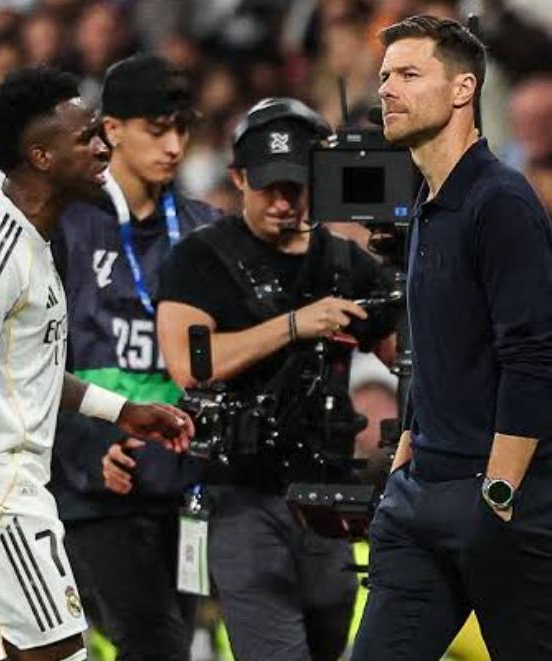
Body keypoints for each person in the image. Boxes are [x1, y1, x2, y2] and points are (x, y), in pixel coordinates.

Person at [0, 67, 193, 661]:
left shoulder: (36, 242)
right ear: (40, 156)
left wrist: (123, 411)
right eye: (86, 137)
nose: (103, 147)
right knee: (63, 651)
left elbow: (26, 371)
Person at [352, 15, 552, 660]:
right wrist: (406, 454)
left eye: (409, 74)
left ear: (463, 89)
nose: (388, 89)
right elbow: (439, 349)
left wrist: (498, 495)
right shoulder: (429, 205)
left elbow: (532, 357)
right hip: (422, 494)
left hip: (499, 494)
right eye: (385, 76)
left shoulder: (499, 201)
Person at [156, 97, 397, 661]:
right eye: (268, 187)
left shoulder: (345, 264)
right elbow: (190, 365)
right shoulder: (200, 259)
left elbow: (405, 356)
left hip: (327, 491)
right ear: (239, 178)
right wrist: (294, 325)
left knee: (329, 637)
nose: (283, 202)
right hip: (240, 491)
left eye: (295, 187)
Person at [50, 52, 219, 659]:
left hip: (185, 484)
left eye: (182, 129)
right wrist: (93, 445)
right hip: (95, 483)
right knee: (155, 644)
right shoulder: (63, 226)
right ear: (113, 130)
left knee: (174, 641)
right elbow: (36, 363)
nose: (174, 147)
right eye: (157, 129)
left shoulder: (206, 229)